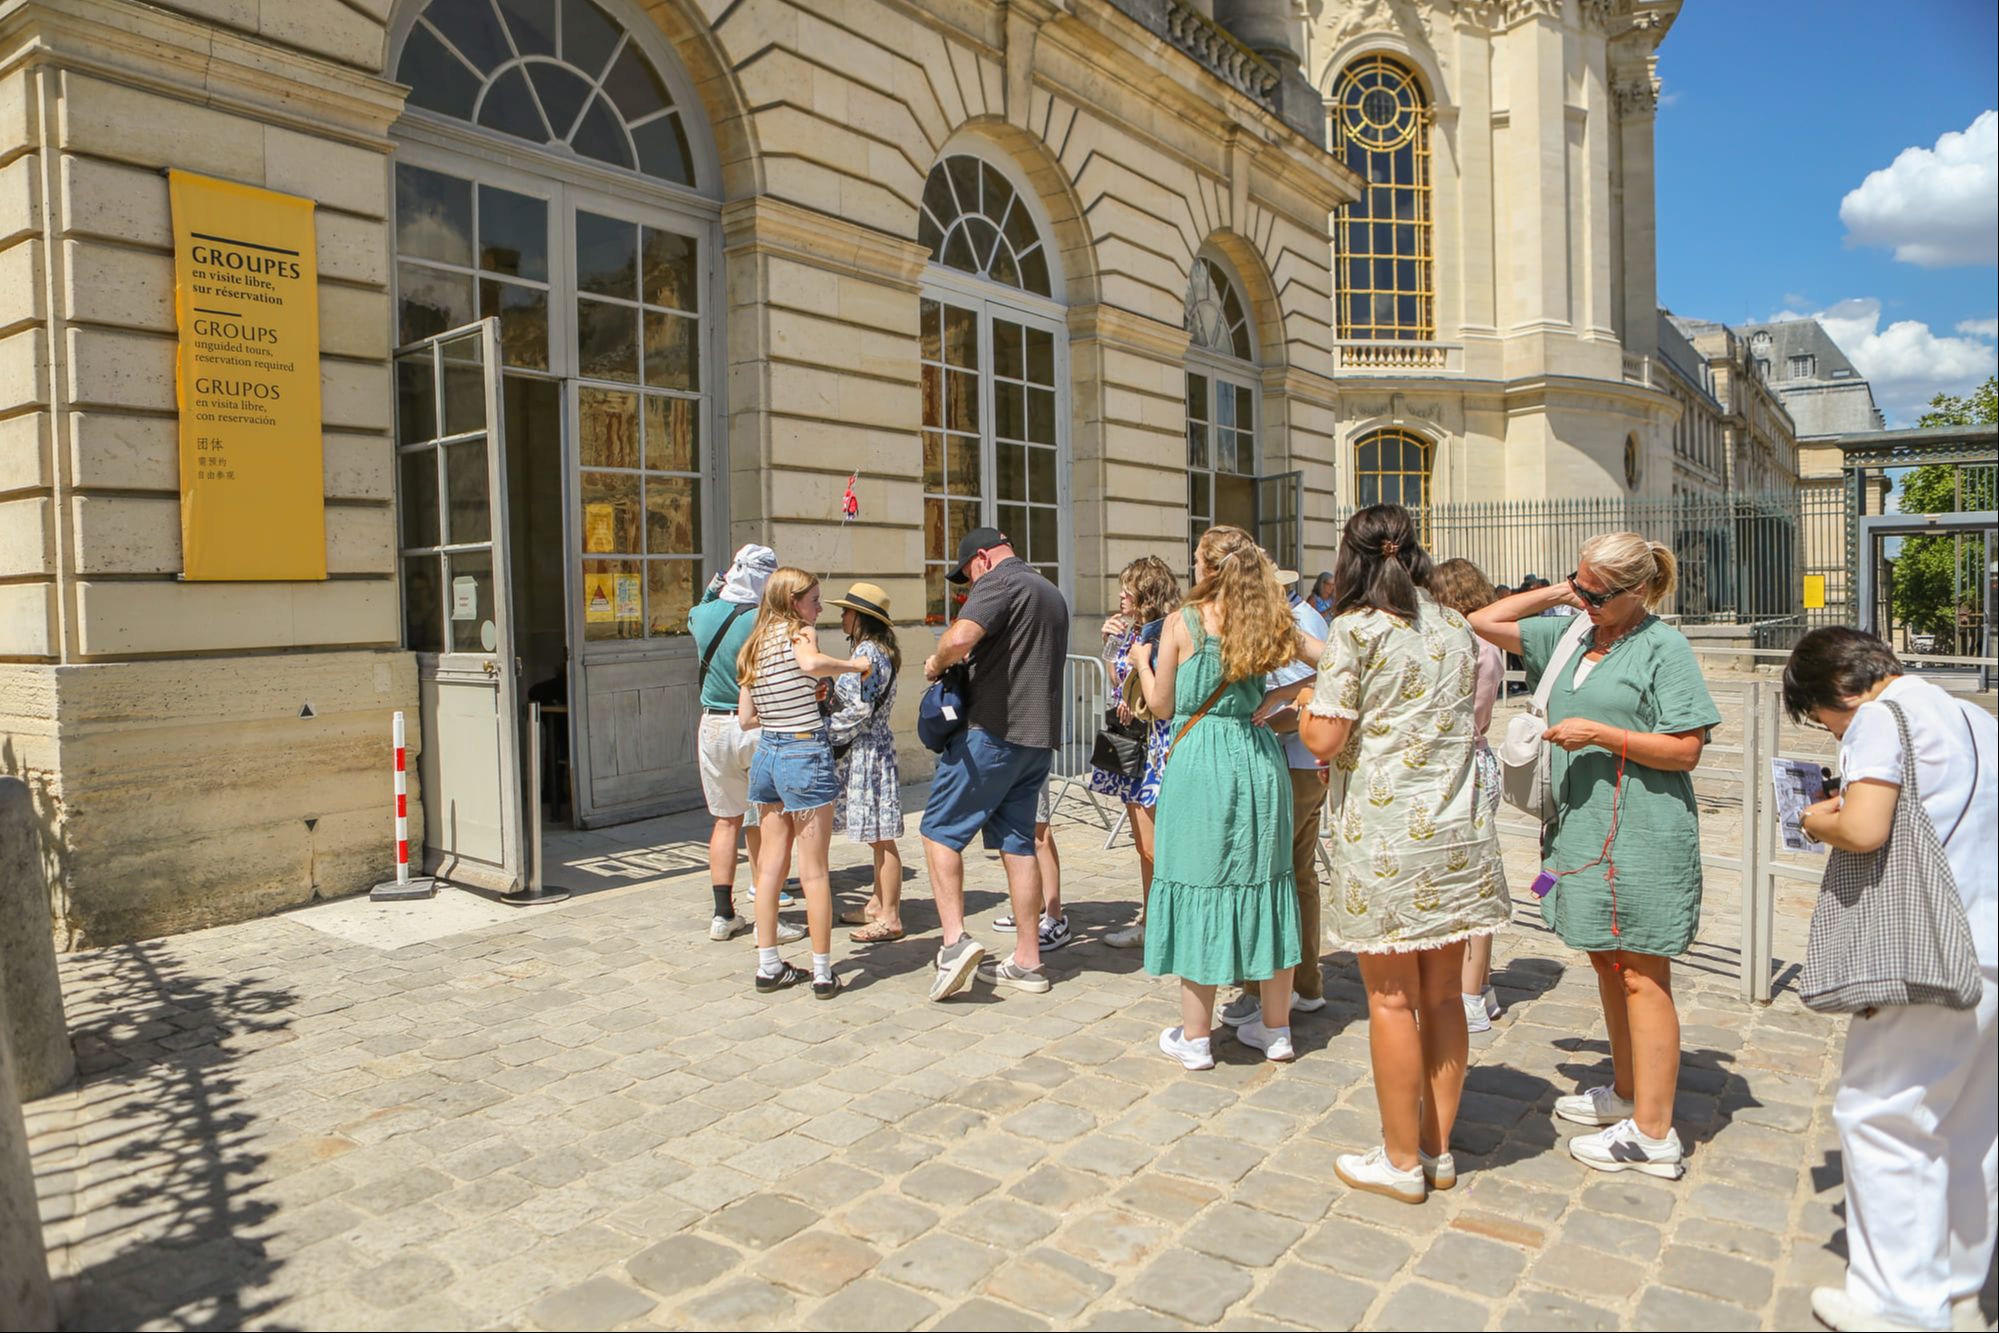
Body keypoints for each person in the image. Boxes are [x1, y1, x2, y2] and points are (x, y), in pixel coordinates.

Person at [1471, 533, 1720, 1180]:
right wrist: (1565, 592)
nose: (1582, 598)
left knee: (1641, 970)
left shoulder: (1662, 646)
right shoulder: (1573, 633)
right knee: (1606, 959)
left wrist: (1602, 734)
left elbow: (1686, 749)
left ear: (1637, 591)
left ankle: (1653, 1133)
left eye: (1596, 591)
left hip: (1642, 826)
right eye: (1576, 583)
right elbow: (1481, 620)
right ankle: (1629, 1089)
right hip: (1580, 825)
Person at [1782, 628, 1996, 1333]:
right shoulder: (1970, 713)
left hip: (1926, 948)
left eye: (1822, 720)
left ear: (1837, 693)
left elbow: (1867, 828)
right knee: (1969, 1128)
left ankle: (1897, 1305)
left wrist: (1818, 820)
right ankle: (1958, 1290)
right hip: (1988, 940)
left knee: (1883, 1116)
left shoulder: (1880, 716)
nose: (1831, 732)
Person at [1296, 506, 1508, 1203]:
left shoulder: (1354, 630)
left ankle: (1397, 1159)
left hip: (1385, 834)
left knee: (1390, 1000)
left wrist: (1304, 705)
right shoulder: (1452, 622)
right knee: (1445, 995)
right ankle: (1436, 1149)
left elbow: (1323, 741)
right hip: (1455, 832)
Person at [1131, 525, 1314, 1071]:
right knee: (1268, 883)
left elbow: (1161, 706)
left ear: (1209, 568)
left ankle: (1196, 1038)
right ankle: (1276, 1031)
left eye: (1195, 560)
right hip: (1257, 757)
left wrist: (1142, 661)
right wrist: (1281, 693)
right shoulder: (1266, 619)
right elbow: (1333, 660)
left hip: (1201, 759)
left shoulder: (1180, 622)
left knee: (1197, 882)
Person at [920, 527, 1071, 999]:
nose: (968, 586)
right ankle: (1028, 961)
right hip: (1036, 740)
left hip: (991, 734)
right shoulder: (1050, 590)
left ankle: (953, 943)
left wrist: (936, 662)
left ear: (982, 559)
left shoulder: (1000, 582)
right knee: (1018, 843)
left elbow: (962, 636)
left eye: (967, 576)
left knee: (938, 831)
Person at [737, 568, 873, 998]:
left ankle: (768, 966)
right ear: (793, 601)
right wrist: (855, 664)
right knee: (814, 872)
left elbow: (746, 718)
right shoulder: (800, 632)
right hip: (802, 751)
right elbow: (812, 664)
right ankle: (821, 972)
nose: (819, 607)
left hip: (768, 755)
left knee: (770, 871)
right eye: (814, 598)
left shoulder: (755, 644)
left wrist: (790, 701)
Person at [1220, 561, 1331, 1027]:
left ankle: (1262, 989)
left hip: (1294, 758)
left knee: (1271, 875)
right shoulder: (1303, 619)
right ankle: (1304, 983)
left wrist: (1274, 708)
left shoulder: (1295, 623)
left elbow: (1326, 679)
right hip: (1302, 760)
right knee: (1298, 876)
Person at [691, 544, 804, 945]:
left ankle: (723, 914)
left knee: (726, 821)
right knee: (766, 822)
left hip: (714, 727)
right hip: (756, 724)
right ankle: (766, 915)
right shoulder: (766, 618)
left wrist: (713, 588)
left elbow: (700, 606)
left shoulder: (703, 616)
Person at [1428, 557, 1509, 1033]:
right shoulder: (1484, 642)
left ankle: (1471, 993)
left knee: (1471, 884)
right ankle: (1477, 984)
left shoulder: (1470, 644)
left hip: (1462, 764)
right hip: (1472, 758)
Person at [1087, 557, 1181, 950]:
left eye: (1129, 587)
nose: (1121, 594)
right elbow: (1117, 679)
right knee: (1143, 843)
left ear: (1148, 592)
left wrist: (1135, 678)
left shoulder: (1165, 632)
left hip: (1158, 743)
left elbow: (1163, 692)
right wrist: (1110, 647)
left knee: (1156, 844)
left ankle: (1171, 924)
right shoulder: (1133, 630)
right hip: (1133, 742)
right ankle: (1151, 918)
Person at [826, 583, 906, 943]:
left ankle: (890, 916)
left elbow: (859, 710)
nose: (841, 616)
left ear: (860, 618)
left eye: (846, 611)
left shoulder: (870, 655)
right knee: (877, 836)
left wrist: (825, 732)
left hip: (869, 751)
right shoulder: (869, 650)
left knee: (881, 837)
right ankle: (876, 903)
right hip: (869, 748)